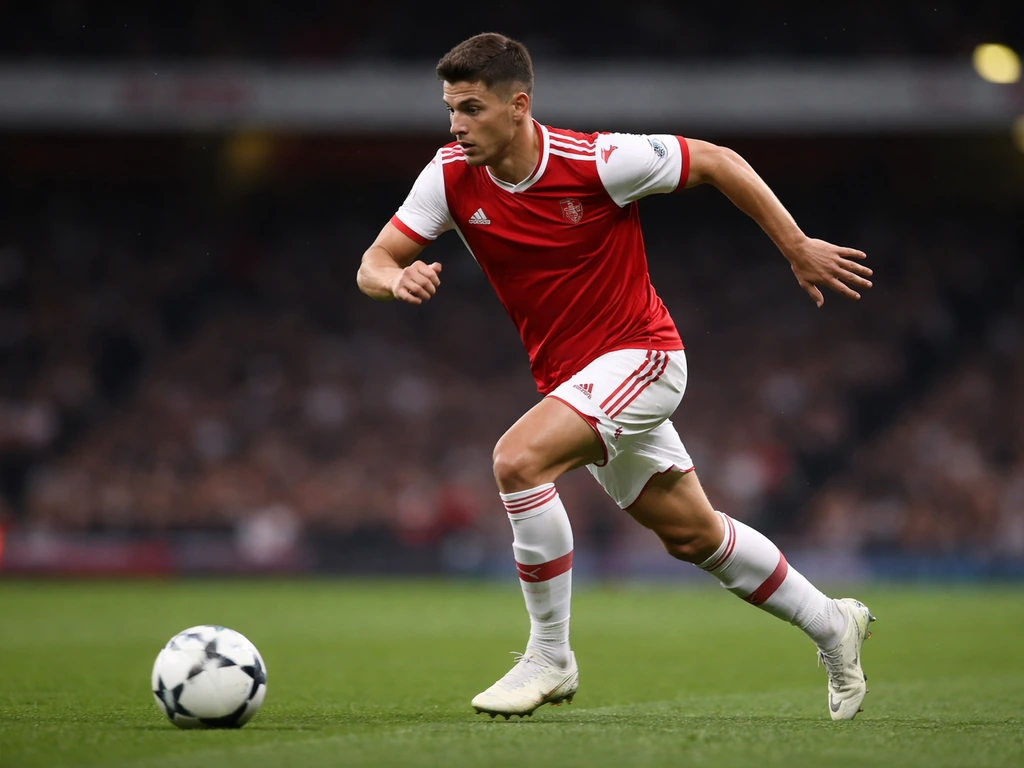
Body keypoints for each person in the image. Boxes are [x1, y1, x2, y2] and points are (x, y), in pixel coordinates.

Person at [356, 32, 876, 721]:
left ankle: (550, 655)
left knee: (517, 462)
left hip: (644, 356)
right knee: (693, 535)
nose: (456, 125)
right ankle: (831, 623)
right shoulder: (450, 174)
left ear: (518, 106)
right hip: (576, 380)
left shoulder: (596, 161)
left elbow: (717, 161)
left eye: (472, 108)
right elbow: (373, 261)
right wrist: (396, 279)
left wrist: (796, 246)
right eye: (451, 109)